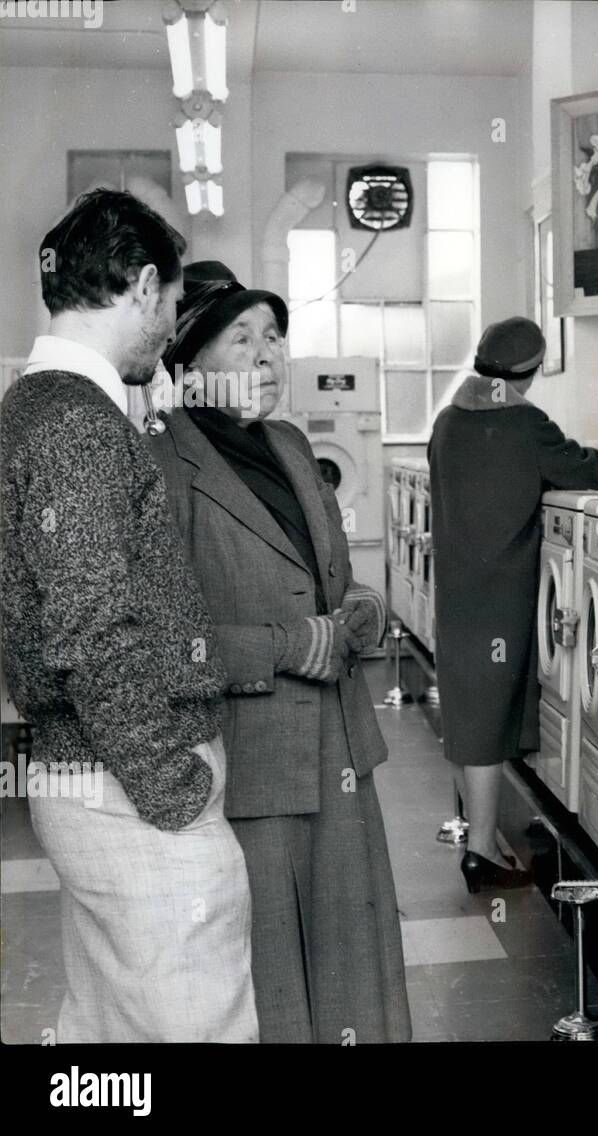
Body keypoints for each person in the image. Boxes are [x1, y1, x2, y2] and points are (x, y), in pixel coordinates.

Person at [0, 191, 257, 1042]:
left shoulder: (35, 410)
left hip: (89, 776)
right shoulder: (77, 423)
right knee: (197, 1028)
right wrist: (171, 786)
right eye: (177, 306)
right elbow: (90, 632)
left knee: (113, 1037)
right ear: (144, 287)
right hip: (130, 792)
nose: (172, 330)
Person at [148, 261, 411, 1044]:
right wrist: (290, 645)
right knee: (273, 983)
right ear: (189, 365)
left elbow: (340, 579)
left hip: (341, 746)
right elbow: (163, 645)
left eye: (274, 336)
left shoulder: (293, 445)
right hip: (253, 762)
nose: (267, 355)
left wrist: (361, 613)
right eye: (241, 338)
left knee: (355, 961)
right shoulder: (161, 464)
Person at [428, 317, 598, 893]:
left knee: (468, 712)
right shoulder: (526, 423)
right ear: (530, 371)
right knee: (487, 721)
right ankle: (480, 849)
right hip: (504, 590)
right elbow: (584, 471)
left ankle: (480, 835)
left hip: (456, 587)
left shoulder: (448, 421)